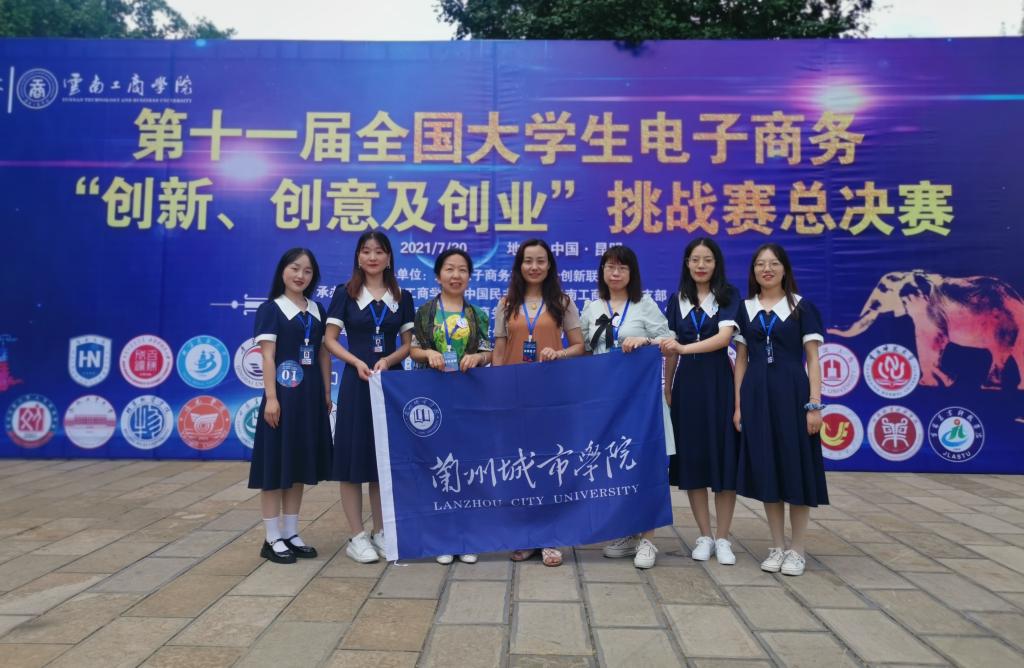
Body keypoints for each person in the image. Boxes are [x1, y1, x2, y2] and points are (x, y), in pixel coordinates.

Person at [733, 243, 827, 577]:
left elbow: (813, 359)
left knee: (795, 469)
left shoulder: (801, 307)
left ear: (785, 269)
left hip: (793, 395)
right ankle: (776, 546)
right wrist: (739, 406)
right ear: (753, 271)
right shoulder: (745, 309)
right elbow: (741, 361)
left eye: (773, 263)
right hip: (757, 396)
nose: (767, 269)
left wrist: (814, 405)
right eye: (760, 264)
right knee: (768, 470)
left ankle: (797, 550)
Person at [579, 245, 673, 569]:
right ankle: (628, 533)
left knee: (647, 464)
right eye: (610, 267)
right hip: (606, 401)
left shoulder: (644, 305)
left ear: (632, 273)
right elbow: (584, 350)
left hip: (640, 400)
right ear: (602, 272)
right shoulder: (591, 307)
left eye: (622, 267)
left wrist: (646, 342)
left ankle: (648, 539)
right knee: (618, 464)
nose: (615, 273)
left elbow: (669, 342)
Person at [324, 231, 414, 564]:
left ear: (389, 257)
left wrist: (389, 360)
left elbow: (409, 344)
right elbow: (330, 339)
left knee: (383, 461)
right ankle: (356, 536)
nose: (372, 257)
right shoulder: (345, 293)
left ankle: (381, 530)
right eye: (366, 251)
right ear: (358, 257)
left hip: (389, 383)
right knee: (351, 460)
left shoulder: (402, 296)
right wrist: (356, 361)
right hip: (357, 380)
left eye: (379, 251)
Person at [493, 239, 584, 567]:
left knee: (549, 464)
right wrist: (498, 390)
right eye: (528, 261)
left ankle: (550, 536)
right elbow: (499, 352)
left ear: (549, 266)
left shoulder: (563, 302)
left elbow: (579, 346)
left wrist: (559, 353)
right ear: (519, 266)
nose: (534, 267)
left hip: (551, 395)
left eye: (540, 261)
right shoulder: (506, 304)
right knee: (519, 466)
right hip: (515, 395)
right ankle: (525, 535)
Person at [657, 237, 741, 565]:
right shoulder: (676, 299)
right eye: (695, 259)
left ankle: (724, 538)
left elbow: (723, 339)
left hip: (718, 383)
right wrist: (667, 386)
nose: (701, 265)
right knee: (693, 461)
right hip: (688, 387)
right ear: (687, 264)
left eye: (707, 259)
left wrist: (681, 348)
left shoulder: (728, 296)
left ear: (716, 263)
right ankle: (704, 535)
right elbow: (670, 347)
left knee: (723, 460)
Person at [249, 248, 332, 564]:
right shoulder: (271, 309)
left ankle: (291, 533)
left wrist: (326, 393)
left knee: (297, 466)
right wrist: (271, 398)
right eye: (295, 268)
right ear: (283, 270)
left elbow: (323, 353)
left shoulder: (317, 310)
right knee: (275, 467)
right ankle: (272, 538)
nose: (300, 276)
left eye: (307, 271)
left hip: (309, 398)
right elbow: (267, 356)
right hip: (283, 398)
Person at [409, 248, 493, 565]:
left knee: (467, 465)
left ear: (469, 276)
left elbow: (489, 352)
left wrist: (478, 358)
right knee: (436, 465)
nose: (455, 275)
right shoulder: (425, 312)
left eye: (462, 270)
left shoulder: (478, 314)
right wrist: (428, 354)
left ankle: (467, 537)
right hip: (432, 397)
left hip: (468, 397)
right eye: (449, 269)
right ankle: (441, 538)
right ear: (438, 276)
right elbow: (413, 350)